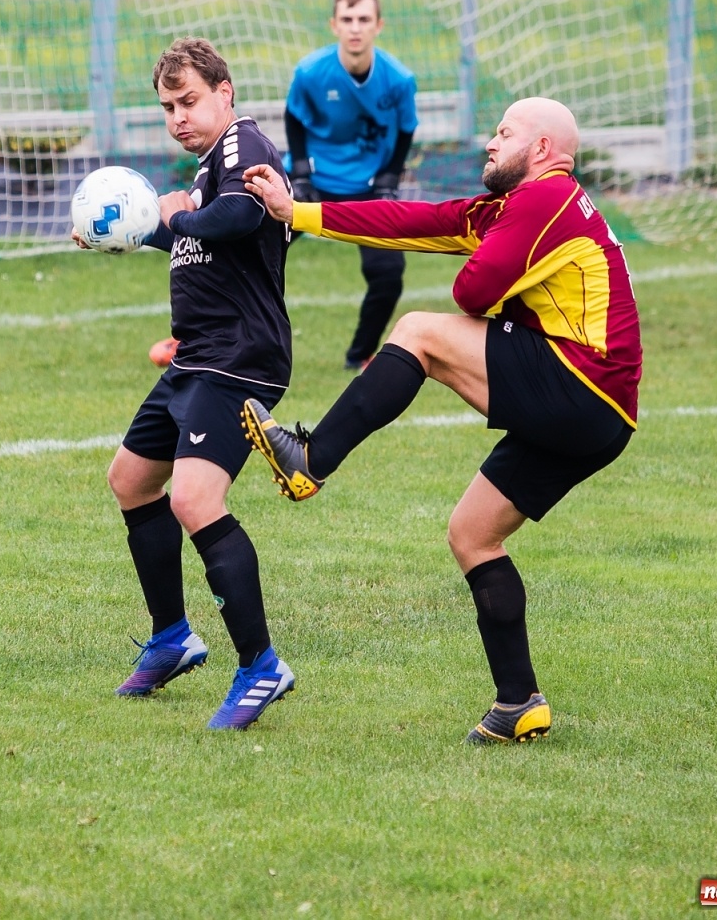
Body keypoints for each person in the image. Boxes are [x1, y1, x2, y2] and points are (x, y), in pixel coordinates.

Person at [237, 97, 640, 745]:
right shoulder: (527, 207)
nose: (489, 142)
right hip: (603, 413)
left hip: (580, 386)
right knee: (472, 534)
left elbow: (471, 294)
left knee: (421, 332)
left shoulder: (545, 199)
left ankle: (311, 460)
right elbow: (413, 220)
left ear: (541, 150)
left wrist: (494, 264)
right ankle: (519, 704)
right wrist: (298, 212)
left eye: (503, 132)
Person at [73, 37, 297, 730]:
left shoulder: (243, 147)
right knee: (131, 481)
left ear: (225, 93)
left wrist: (175, 214)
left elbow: (241, 216)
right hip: (195, 360)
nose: (178, 116)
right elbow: (196, 236)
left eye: (190, 101)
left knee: (197, 500)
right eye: (168, 106)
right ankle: (173, 637)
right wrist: (133, 230)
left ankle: (261, 664)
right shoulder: (205, 170)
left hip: (239, 359)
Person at [284, 0, 418, 370]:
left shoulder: (399, 79)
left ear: (379, 25)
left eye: (363, 19)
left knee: (388, 274)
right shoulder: (310, 72)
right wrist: (302, 174)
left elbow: (407, 128)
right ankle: (201, 339)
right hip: (315, 183)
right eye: (347, 19)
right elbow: (294, 116)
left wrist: (390, 177)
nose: (355, 27)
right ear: (334, 25)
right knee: (252, 252)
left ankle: (359, 356)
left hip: (369, 189)